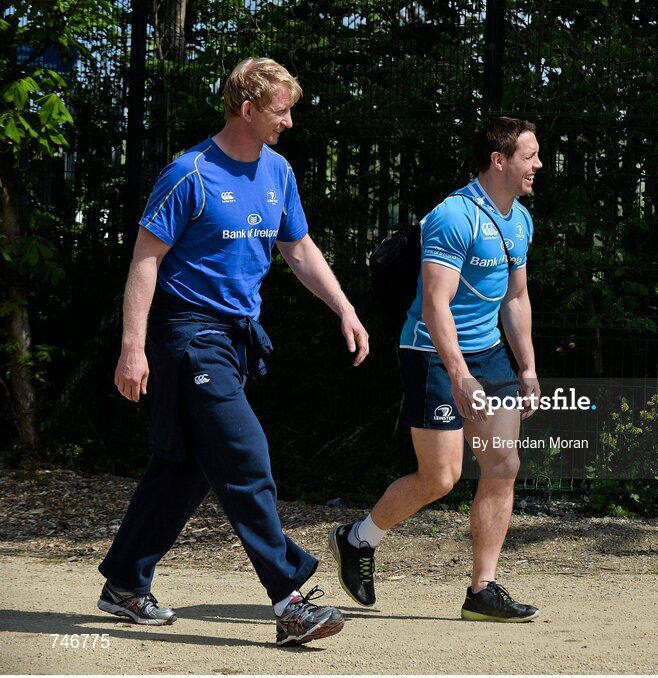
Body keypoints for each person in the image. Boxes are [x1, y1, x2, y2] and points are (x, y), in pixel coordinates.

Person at [100, 57, 369, 647]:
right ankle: (290, 598)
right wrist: (132, 347)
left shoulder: (277, 170)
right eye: (280, 111)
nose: (290, 122)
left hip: (236, 336)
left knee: (185, 467)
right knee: (245, 453)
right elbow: (145, 262)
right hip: (189, 335)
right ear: (246, 109)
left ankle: (123, 580)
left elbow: (297, 248)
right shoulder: (189, 174)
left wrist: (345, 308)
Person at [329, 117, 542, 622]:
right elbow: (434, 304)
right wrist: (458, 374)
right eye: (530, 156)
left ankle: (482, 591)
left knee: (503, 465)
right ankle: (357, 539)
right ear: (500, 160)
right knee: (441, 476)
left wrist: (528, 368)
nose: (539, 165)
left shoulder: (520, 220)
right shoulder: (453, 216)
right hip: (431, 352)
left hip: (488, 352)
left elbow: (516, 297)